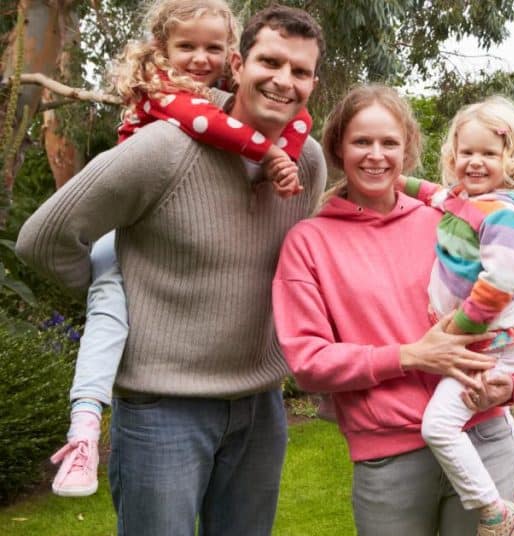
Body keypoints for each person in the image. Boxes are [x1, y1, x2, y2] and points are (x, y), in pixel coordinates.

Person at [16, 5, 326, 534]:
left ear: (312, 82)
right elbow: (42, 239)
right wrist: (116, 291)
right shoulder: (164, 147)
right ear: (238, 62)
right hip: (163, 412)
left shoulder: (308, 160)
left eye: (300, 71)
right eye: (270, 62)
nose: (283, 81)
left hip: (261, 407)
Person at [272, 85, 514, 536]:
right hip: (390, 458)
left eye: (389, 143)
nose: (375, 155)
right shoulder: (309, 242)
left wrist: (511, 385)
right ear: (338, 147)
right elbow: (308, 363)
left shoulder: (450, 219)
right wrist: (409, 356)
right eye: (361, 142)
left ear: (409, 149)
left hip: (484, 437)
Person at [399, 96, 514, 535]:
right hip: (492, 338)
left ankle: (493, 507)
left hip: (488, 338)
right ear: (452, 155)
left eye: (489, 153)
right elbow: (433, 194)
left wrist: (460, 329)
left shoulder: (503, 214)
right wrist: (396, 181)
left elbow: (502, 279)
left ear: (512, 159)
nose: (475, 161)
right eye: (467, 152)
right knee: (493, 410)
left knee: (440, 424)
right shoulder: (469, 200)